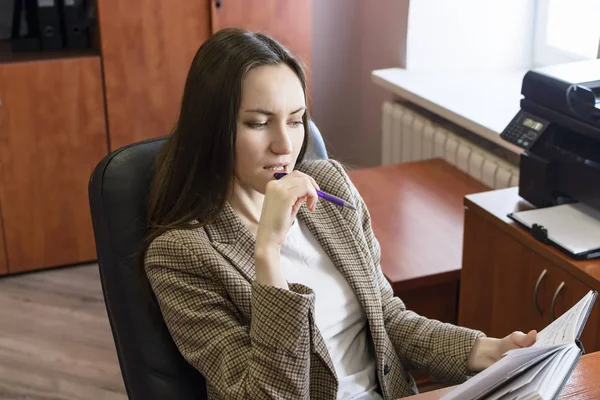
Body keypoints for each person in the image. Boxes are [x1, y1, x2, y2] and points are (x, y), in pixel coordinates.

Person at [142, 28, 537, 400]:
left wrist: (486, 351)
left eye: (296, 120)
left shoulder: (329, 184)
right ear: (212, 129)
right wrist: (268, 252)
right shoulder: (181, 255)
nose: (284, 144)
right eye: (259, 123)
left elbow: (386, 318)